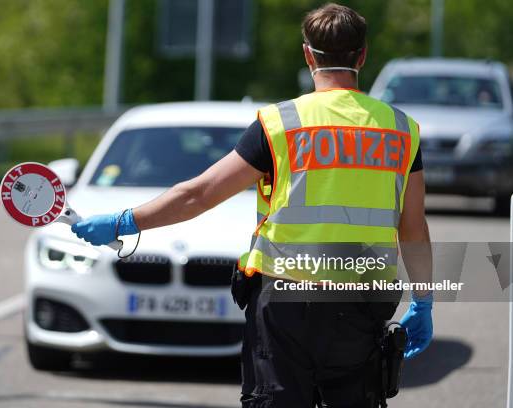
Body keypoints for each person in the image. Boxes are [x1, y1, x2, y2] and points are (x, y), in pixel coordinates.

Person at [72, 3, 433, 407]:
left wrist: (126, 221)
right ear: (363, 56)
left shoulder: (280, 123)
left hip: (285, 305)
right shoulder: (401, 129)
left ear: (308, 55)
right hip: (360, 302)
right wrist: (424, 300)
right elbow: (413, 227)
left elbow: (199, 194)